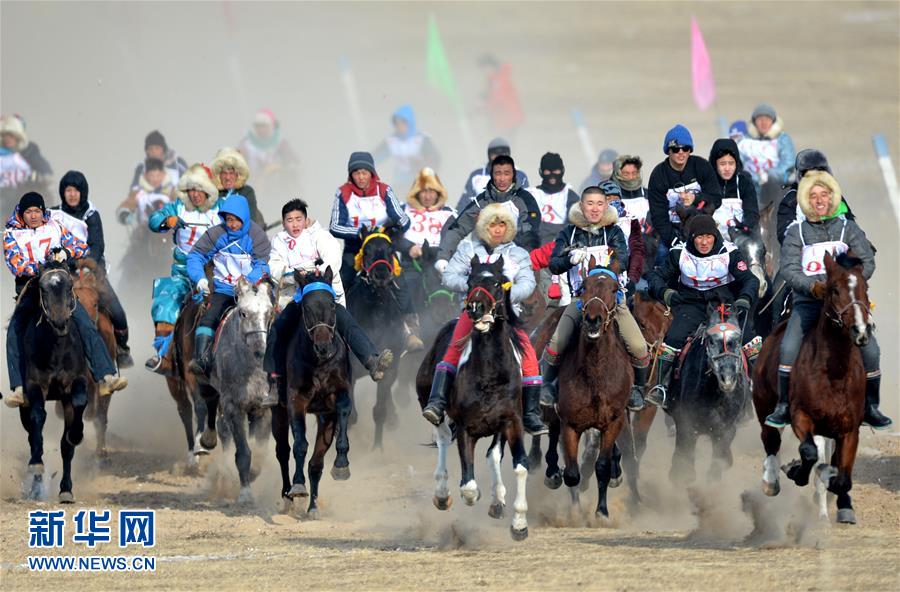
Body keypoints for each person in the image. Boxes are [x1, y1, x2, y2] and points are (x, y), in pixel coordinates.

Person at [765, 171, 890, 429]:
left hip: (844, 301)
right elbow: (789, 268)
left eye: (824, 195)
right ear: (806, 201)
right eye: (813, 196)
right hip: (809, 301)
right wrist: (811, 287)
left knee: (871, 348)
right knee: (788, 346)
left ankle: (871, 407)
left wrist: (847, 284)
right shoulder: (797, 232)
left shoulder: (848, 229)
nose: (819, 200)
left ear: (831, 198)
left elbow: (867, 260)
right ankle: (783, 406)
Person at [421, 203, 547, 435]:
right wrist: (474, 289)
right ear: (483, 227)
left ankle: (530, 414)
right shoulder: (468, 248)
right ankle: (438, 402)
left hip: (506, 316)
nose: (497, 229)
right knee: (452, 349)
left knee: (529, 357)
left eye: (502, 225)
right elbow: (449, 277)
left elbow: (528, 284)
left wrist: (504, 293)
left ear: (509, 227)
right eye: (492, 225)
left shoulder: (518, 254)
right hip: (473, 311)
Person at [4, 192, 127, 407]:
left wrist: (65, 254)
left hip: (60, 287)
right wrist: (42, 266)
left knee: (85, 322)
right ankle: (18, 387)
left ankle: (106, 375)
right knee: (15, 329)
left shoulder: (55, 227)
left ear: (43, 212)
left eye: (37, 211)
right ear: (22, 214)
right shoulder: (12, 234)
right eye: (29, 212)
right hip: (32, 287)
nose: (33, 216)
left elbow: (81, 247)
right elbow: (15, 263)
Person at [264, 199, 394, 403]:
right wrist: (293, 274)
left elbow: (333, 257)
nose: (295, 224)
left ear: (306, 220)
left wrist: (319, 270)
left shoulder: (319, 235)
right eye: (290, 220)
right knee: (277, 331)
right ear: (283, 223)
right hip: (295, 297)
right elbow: (274, 267)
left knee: (347, 322)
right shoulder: (279, 241)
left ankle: (372, 361)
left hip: (323, 294)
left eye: (299, 219)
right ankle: (272, 383)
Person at [539, 185, 650, 411]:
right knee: (556, 343)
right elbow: (553, 265)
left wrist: (602, 269)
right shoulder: (568, 233)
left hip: (612, 301)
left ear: (606, 206)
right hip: (580, 300)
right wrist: (570, 258)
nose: (595, 209)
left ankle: (638, 388)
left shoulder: (615, 232)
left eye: (600, 204)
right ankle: (548, 385)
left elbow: (622, 259)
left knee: (639, 346)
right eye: (590, 203)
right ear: (581, 206)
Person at [646, 214, 759, 408]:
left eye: (709, 237)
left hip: (724, 304)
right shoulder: (679, 253)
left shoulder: (729, 252)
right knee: (672, 339)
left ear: (715, 236)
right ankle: (661, 387)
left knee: (749, 338)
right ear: (692, 238)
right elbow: (656, 276)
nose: (704, 242)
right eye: (699, 237)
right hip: (692, 304)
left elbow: (750, 279)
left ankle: (757, 385)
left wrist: (744, 298)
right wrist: (666, 293)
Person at [186, 195, 272, 384]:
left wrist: (248, 281)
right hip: (224, 290)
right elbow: (195, 256)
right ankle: (202, 361)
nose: (232, 224)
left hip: (252, 292)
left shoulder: (256, 236)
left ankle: (274, 367)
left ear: (245, 217)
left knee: (271, 318)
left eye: (236, 220)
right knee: (209, 318)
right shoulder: (215, 234)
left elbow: (264, 264)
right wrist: (199, 279)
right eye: (229, 220)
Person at [50, 170, 132, 367]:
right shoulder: (53, 214)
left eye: (76, 190)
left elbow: (97, 246)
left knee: (118, 313)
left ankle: (122, 348)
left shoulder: (91, 215)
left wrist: (86, 265)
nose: (72, 194)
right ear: (63, 192)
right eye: (68, 190)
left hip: (91, 271)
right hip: (63, 271)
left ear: (83, 192)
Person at [144, 164, 221, 373]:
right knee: (165, 304)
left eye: (199, 190)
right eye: (191, 190)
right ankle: (164, 356)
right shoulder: (178, 207)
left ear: (208, 191)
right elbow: (153, 221)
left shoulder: (220, 209)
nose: (195, 195)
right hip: (183, 273)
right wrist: (167, 220)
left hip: (214, 272)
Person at [438, 154, 541, 269]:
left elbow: (530, 232)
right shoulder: (482, 201)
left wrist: (520, 257)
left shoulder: (525, 199)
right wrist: (443, 257)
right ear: (492, 175)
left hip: (517, 259)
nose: (502, 179)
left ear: (513, 175)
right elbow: (458, 228)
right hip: (483, 259)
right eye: (498, 173)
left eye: (507, 174)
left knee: (543, 281)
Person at [329, 151, 411, 290]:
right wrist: (359, 232)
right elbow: (335, 226)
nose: (361, 177)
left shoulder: (384, 190)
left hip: (383, 248)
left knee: (401, 283)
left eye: (364, 172)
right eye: (356, 173)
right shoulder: (343, 192)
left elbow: (404, 221)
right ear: (351, 175)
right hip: (355, 249)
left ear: (371, 173)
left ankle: (409, 312)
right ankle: (340, 311)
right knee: (343, 281)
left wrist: (391, 226)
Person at [647, 124, 722, 264]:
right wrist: (673, 240)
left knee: (725, 257)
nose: (681, 153)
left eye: (685, 148)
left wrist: (696, 198)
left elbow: (716, 198)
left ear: (690, 150)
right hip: (672, 229)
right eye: (676, 149)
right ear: (668, 151)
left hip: (703, 228)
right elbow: (658, 215)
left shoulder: (702, 166)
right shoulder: (659, 175)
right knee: (662, 257)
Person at [395, 168, 456, 306]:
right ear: (416, 193)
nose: (427, 196)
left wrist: (440, 256)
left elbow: (453, 239)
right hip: (410, 265)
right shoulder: (403, 211)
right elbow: (392, 236)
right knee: (406, 293)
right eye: (423, 191)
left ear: (438, 192)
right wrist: (409, 247)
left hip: (439, 264)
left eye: (431, 191)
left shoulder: (448, 213)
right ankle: (408, 322)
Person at [776, 149, 855, 245]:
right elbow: (784, 233)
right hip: (805, 251)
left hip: (837, 248)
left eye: (820, 173)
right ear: (801, 176)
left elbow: (850, 222)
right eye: (809, 175)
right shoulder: (791, 199)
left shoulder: (834, 195)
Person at [373, 105, 440, 193]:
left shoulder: (422, 139)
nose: (400, 126)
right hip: (401, 180)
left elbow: (435, 159)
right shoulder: (392, 141)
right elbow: (375, 157)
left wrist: (423, 165)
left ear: (410, 122)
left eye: (403, 123)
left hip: (421, 181)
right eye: (397, 123)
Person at [739, 103, 796, 198]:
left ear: (773, 121)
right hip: (749, 188)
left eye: (767, 119)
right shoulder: (745, 141)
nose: (763, 123)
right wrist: (754, 178)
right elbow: (737, 162)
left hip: (775, 189)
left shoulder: (782, 140)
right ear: (754, 122)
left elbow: (788, 164)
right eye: (760, 119)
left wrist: (768, 176)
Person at [457, 138, 530, 210]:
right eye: (495, 154)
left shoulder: (520, 175)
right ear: (489, 155)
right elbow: (464, 204)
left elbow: (526, 203)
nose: (499, 157)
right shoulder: (477, 176)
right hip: (481, 218)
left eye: (503, 153)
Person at [1, 114, 52, 212]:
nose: (7, 138)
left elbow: (45, 171)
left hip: (22, 195)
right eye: (4, 135)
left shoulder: (29, 152)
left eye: (11, 135)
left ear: (18, 136)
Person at [708, 138, 760, 235]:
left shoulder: (744, 182)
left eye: (731, 163)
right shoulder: (708, 182)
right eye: (722, 164)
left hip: (740, 236)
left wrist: (745, 227)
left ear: (737, 163)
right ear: (715, 164)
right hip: (712, 238)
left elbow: (752, 212)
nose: (727, 168)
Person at [528, 152, 580, 245]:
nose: (552, 175)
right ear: (541, 172)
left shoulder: (570, 196)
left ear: (562, 170)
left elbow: (572, 226)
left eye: (556, 170)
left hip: (560, 244)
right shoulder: (532, 194)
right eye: (547, 171)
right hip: (536, 243)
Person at [237, 108, 300, 183]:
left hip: (277, 184)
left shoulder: (281, 143)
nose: (261, 129)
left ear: (272, 126)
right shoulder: (246, 144)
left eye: (264, 126)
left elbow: (294, 163)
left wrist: (286, 169)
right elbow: (236, 164)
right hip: (253, 184)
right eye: (258, 126)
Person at [211, 147, 264, 226]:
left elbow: (251, 221)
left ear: (238, 175)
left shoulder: (247, 192)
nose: (228, 178)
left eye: (231, 173)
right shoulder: (212, 192)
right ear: (219, 175)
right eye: (224, 173)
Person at [116, 157, 176, 226]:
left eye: (158, 175)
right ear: (146, 175)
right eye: (152, 176)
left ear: (163, 175)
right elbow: (129, 202)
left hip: (168, 227)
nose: (155, 179)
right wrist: (124, 212)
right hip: (145, 229)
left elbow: (180, 201)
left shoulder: (171, 190)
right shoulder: (139, 192)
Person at [479, 55, 525, 138]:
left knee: (505, 143)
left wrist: (483, 106)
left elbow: (499, 100)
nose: (484, 72)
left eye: (485, 68)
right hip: (503, 119)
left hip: (508, 118)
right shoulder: (494, 79)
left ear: (490, 66)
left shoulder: (499, 79)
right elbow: (491, 95)